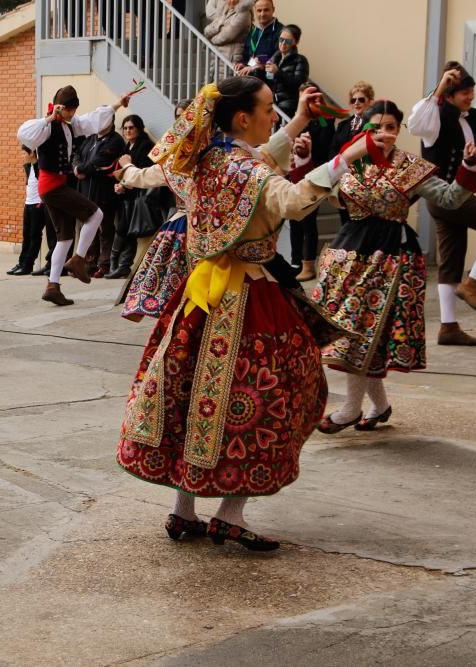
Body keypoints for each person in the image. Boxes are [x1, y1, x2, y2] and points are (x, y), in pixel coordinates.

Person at [115, 78, 374, 550]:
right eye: (270, 109)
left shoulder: (203, 158)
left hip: (198, 298)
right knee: (265, 397)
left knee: (191, 396)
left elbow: (258, 157)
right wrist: (348, 157)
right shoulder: (244, 170)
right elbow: (292, 201)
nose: (273, 117)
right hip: (249, 295)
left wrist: (298, 118)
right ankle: (230, 514)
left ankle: (184, 511)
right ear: (242, 117)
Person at [312, 100, 476, 434]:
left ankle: (350, 409)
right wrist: (303, 157)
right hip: (348, 254)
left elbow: (448, 198)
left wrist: (468, 167)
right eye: (377, 127)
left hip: (392, 257)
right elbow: (310, 190)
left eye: (391, 127)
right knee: (357, 335)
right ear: (364, 129)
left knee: (362, 334)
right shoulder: (347, 161)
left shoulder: (409, 167)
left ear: (398, 131)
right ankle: (379, 406)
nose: (384, 134)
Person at [17, 86, 131, 306]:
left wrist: (118, 103)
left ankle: (53, 286)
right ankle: (78, 259)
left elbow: (91, 120)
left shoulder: (70, 124)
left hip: (56, 186)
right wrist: (49, 117)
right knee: (96, 214)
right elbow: (24, 133)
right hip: (52, 186)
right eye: (70, 111)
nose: (73, 115)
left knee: (65, 237)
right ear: (63, 108)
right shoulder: (47, 127)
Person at [407, 61, 476, 345]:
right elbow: (415, 124)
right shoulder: (435, 116)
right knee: (452, 258)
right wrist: (438, 89)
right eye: (464, 93)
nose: (470, 97)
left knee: (450, 259)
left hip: (462, 195)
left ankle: (448, 327)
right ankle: (473, 283)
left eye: (472, 91)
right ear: (449, 95)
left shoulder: (474, 117)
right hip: (442, 195)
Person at [115, 102, 190, 320]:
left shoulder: (207, 151)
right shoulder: (176, 149)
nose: (182, 120)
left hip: (194, 221)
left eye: (186, 114)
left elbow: (147, 176)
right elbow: (152, 175)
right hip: (184, 217)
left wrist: (127, 168)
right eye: (178, 116)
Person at [288, 80, 335, 281]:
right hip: (296, 174)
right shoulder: (297, 118)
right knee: (294, 220)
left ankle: (308, 264)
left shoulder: (325, 119)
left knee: (309, 222)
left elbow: (324, 143)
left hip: (315, 173)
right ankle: (295, 262)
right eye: (301, 97)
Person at [75, 118, 126, 279]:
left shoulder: (115, 140)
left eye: (104, 119)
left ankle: (105, 264)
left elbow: (101, 161)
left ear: (111, 122)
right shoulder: (91, 138)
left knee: (105, 229)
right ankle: (88, 263)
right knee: (87, 228)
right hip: (85, 192)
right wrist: (76, 167)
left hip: (104, 193)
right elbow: (77, 155)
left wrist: (82, 169)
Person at [108, 114, 156, 280]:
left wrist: (125, 184)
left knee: (126, 230)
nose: (127, 131)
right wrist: (120, 184)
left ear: (139, 129)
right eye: (125, 128)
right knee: (124, 229)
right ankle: (119, 264)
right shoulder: (128, 147)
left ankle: (120, 264)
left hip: (139, 196)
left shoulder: (146, 146)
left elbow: (144, 172)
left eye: (131, 127)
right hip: (127, 195)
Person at [331, 81, 376, 226]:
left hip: (364, 183)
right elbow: (333, 150)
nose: (356, 103)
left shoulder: (375, 125)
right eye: (353, 100)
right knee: (345, 223)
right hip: (343, 182)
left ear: (370, 102)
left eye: (361, 99)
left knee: (363, 226)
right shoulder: (343, 125)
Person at [7, 145, 55, 276]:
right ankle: (22, 262)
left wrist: (35, 163)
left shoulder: (41, 166)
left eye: (25, 153)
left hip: (39, 204)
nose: (24, 156)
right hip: (28, 203)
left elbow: (43, 181)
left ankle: (28, 265)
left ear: (32, 153)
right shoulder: (28, 167)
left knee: (34, 235)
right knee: (26, 235)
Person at [257, 24, 308, 118]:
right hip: (271, 103)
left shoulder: (300, 60)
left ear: (295, 42)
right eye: (281, 39)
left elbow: (298, 84)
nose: (283, 43)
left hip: (287, 107)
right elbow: (267, 82)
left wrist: (278, 72)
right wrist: (260, 70)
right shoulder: (275, 58)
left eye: (287, 41)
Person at [234, 0, 282, 76]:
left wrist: (256, 66)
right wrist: (244, 64)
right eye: (259, 11)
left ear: (273, 10)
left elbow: (279, 56)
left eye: (266, 10)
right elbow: (247, 53)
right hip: (251, 76)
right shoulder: (253, 30)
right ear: (255, 11)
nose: (262, 14)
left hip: (269, 80)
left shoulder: (281, 31)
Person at [204, 0, 254, 66]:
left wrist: (211, 37)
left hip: (230, 59)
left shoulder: (244, 13)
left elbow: (224, 37)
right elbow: (206, 31)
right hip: (218, 57)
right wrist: (219, 27)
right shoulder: (226, 11)